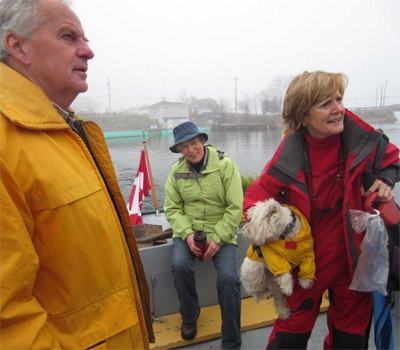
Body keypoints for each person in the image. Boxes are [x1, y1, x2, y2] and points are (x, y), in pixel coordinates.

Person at [0, 0, 154, 348]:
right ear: (17, 46)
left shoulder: (65, 129)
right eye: (68, 37)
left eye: (84, 38)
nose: (88, 51)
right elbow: (8, 321)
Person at [243, 71, 400, 349]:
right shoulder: (287, 159)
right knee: (289, 336)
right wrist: (271, 231)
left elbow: (392, 160)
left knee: (350, 339)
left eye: (339, 99)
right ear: (303, 116)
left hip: (354, 264)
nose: (338, 108)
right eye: (325, 104)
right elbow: (254, 204)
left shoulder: (363, 142)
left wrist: (384, 181)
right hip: (305, 266)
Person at [164, 121, 243, 349]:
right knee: (179, 266)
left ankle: (231, 339)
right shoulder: (176, 172)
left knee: (229, 280)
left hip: (222, 229)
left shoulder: (225, 165)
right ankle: (189, 315)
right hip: (188, 230)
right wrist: (187, 234)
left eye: (194, 143)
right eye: (184, 146)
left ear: (203, 141)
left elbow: (235, 207)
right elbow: (173, 209)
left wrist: (218, 239)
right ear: (179, 150)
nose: (191, 150)